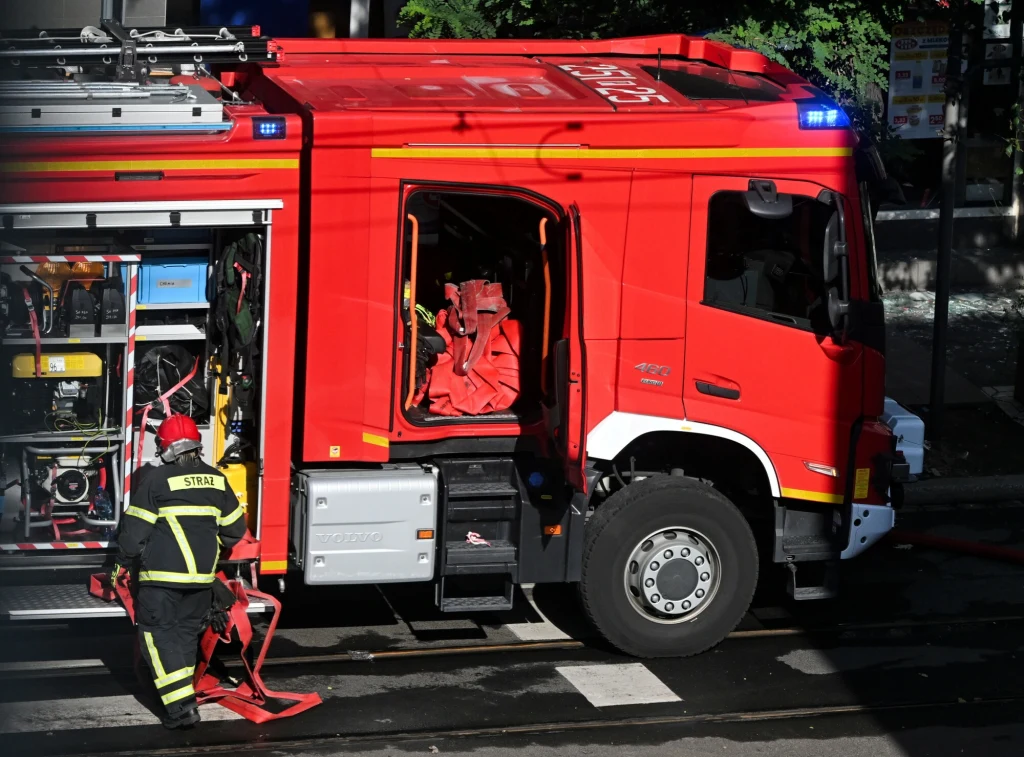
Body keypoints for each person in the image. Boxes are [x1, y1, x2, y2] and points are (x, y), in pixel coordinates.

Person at [111, 413, 247, 729]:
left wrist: (120, 562)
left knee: (156, 639)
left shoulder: (156, 481)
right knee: (184, 638)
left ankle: (180, 710)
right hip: (201, 582)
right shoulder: (217, 480)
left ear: (165, 447)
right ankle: (183, 696)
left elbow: (133, 533)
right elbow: (233, 531)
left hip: (161, 580)